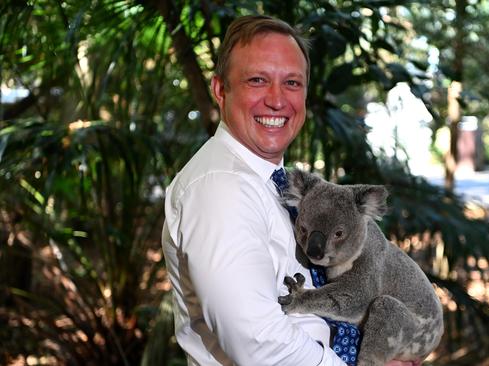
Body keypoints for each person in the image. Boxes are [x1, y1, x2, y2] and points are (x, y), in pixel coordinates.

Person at [161, 15, 420, 366]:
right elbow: (255, 340)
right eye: (257, 80)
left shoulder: (279, 183)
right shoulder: (220, 187)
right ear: (220, 90)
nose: (277, 100)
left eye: (292, 83)